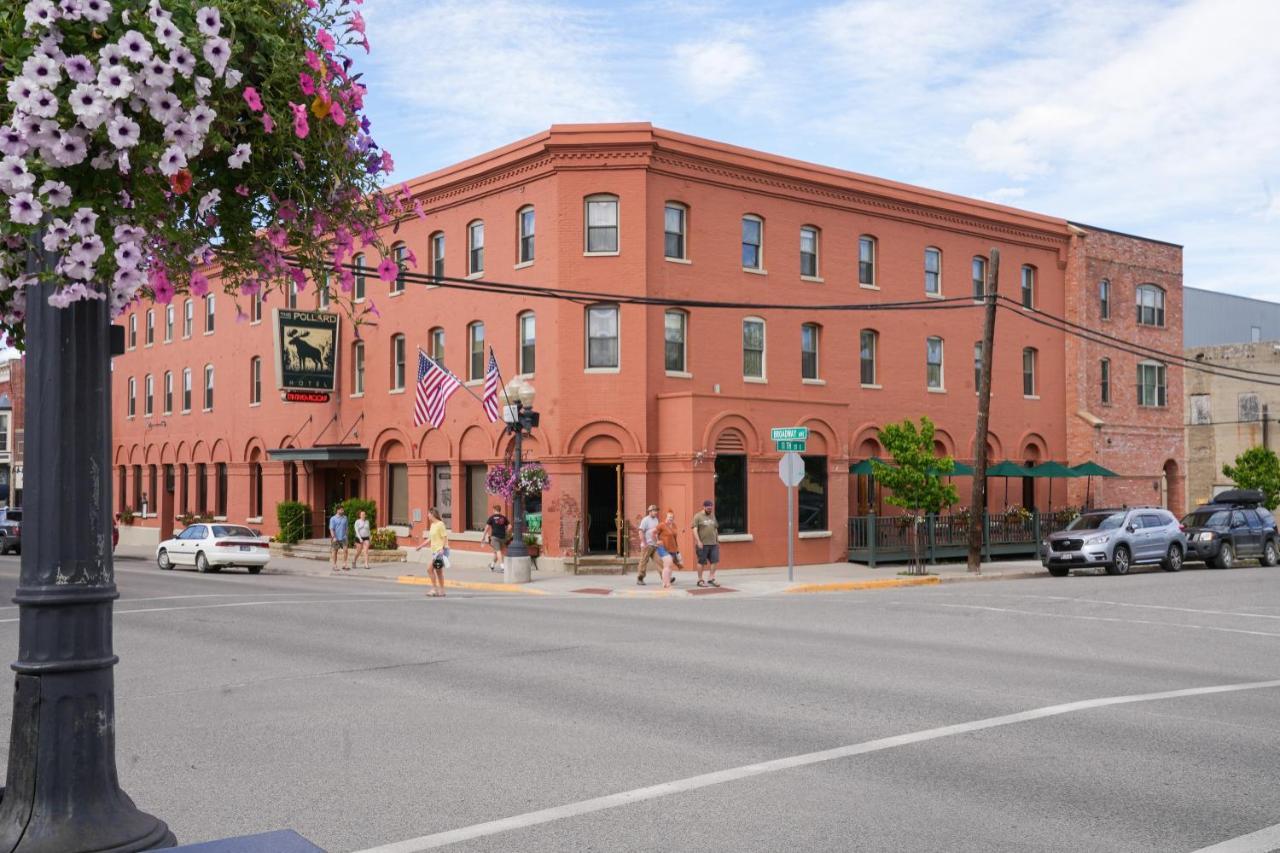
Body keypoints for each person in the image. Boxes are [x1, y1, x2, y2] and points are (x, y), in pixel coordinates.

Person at [414, 507, 449, 597]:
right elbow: (430, 539)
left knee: (430, 569)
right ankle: (442, 591)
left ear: (433, 514)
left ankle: (434, 589)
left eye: (428, 514)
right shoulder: (433, 525)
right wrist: (420, 546)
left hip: (440, 552)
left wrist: (442, 549)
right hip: (435, 552)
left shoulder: (440, 524)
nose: (427, 516)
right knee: (438, 571)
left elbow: (445, 537)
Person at [691, 499, 721, 587]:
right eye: (708, 508)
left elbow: (715, 528)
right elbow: (694, 529)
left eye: (711, 508)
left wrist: (717, 540)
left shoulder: (712, 515)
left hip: (713, 543)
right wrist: (698, 541)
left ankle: (711, 578)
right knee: (701, 562)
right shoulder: (698, 516)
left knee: (714, 561)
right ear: (704, 507)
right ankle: (700, 580)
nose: (709, 510)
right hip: (703, 544)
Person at [636, 504, 661, 586]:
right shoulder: (645, 520)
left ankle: (665, 577)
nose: (656, 512)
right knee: (643, 561)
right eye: (654, 510)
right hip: (647, 545)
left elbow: (656, 532)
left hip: (654, 545)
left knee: (659, 561)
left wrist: (658, 542)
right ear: (650, 511)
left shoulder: (656, 520)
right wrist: (644, 543)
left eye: (656, 510)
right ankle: (640, 578)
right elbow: (640, 531)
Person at [657, 509, 681, 590]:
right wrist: (657, 541)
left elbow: (675, 538)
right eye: (669, 517)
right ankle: (667, 583)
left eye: (672, 517)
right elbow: (653, 533)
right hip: (663, 548)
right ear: (666, 517)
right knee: (668, 563)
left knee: (669, 566)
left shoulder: (674, 525)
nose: (670, 518)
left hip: (673, 548)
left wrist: (677, 550)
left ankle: (665, 582)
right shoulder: (661, 525)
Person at [483, 503, 510, 573]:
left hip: (495, 537)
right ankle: (492, 566)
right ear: (499, 510)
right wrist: (506, 532)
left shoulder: (492, 517)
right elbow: (510, 526)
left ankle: (502, 567)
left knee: (498, 552)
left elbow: (486, 528)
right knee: (496, 552)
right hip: (503, 537)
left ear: (494, 510)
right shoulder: (503, 518)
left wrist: (483, 536)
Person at [329, 505, 350, 571]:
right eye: (341, 510)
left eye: (343, 510)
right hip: (336, 538)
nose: (342, 511)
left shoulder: (345, 518)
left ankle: (344, 564)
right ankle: (334, 565)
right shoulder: (333, 518)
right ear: (337, 510)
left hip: (344, 537)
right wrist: (334, 537)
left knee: (346, 550)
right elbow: (331, 529)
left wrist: (346, 534)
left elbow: (347, 527)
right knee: (335, 551)